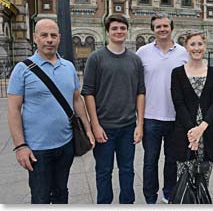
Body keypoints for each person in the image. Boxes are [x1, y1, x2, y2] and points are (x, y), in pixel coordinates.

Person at [7, 18, 95, 204]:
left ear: (59, 38)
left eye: (53, 35)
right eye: (44, 35)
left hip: (65, 145)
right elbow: (13, 110)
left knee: (62, 192)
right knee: (40, 196)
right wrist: (20, 146)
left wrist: (87, 130)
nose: (49, 40)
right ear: (35, 38)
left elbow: (76, 100)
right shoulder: (22, 70)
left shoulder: (68, 67)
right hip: (37, 149)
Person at [82, 15, 145, 204]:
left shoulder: (135, 60)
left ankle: (127, 204)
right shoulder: (96, 58)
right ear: (108, 31)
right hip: (104, 127)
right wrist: (95, 125)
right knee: (103, 171)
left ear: (127, 31)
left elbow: (140, 93)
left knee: (127, 170)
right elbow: (88, 93)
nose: (119, 31)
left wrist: (139, 124)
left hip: (127, 127)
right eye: (115, 28)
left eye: (122, 28)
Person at [136, 13, 188, 204]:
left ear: (171, 28)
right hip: (151, 117)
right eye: (158, 26)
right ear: (153, 30)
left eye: (165, 26)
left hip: (176, 117)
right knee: (150, 161)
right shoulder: (142, 52)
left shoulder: (183, 53)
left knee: (172, 160)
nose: (162, 29)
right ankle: (150, 198)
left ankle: (169, 193)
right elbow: (137, 85)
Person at [170, 30, 213, 189]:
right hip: (186, 134)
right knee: (185, 181)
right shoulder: (177, 73)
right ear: (186, 47)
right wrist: (193, 132)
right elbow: (178, 103)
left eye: (200, 44)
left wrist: (202, 128)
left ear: (205, 46)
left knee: (203, 182)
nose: (196, 48)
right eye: (192, 44)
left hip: (207, 133)